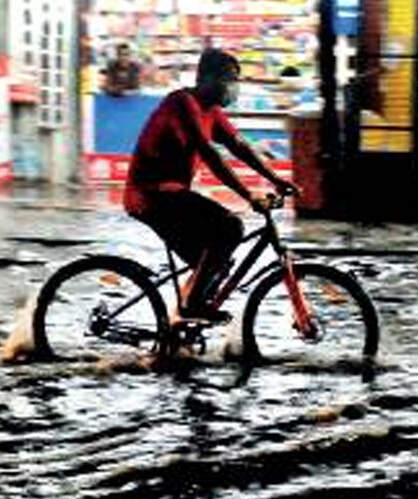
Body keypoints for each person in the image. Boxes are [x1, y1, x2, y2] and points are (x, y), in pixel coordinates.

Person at [125, 49, 298, 321]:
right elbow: (210, 154)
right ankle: (191, 306)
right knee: (230, 227)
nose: (233, 87)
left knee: (217, 262)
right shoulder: (182, 103)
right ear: (205, 78)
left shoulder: (212, 112)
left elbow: (240, 146)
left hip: (173, 196)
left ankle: (178, 328)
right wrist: (248, 194)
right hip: (151, 196)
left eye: (236, 80)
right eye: (229, 79)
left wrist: (276, 178)